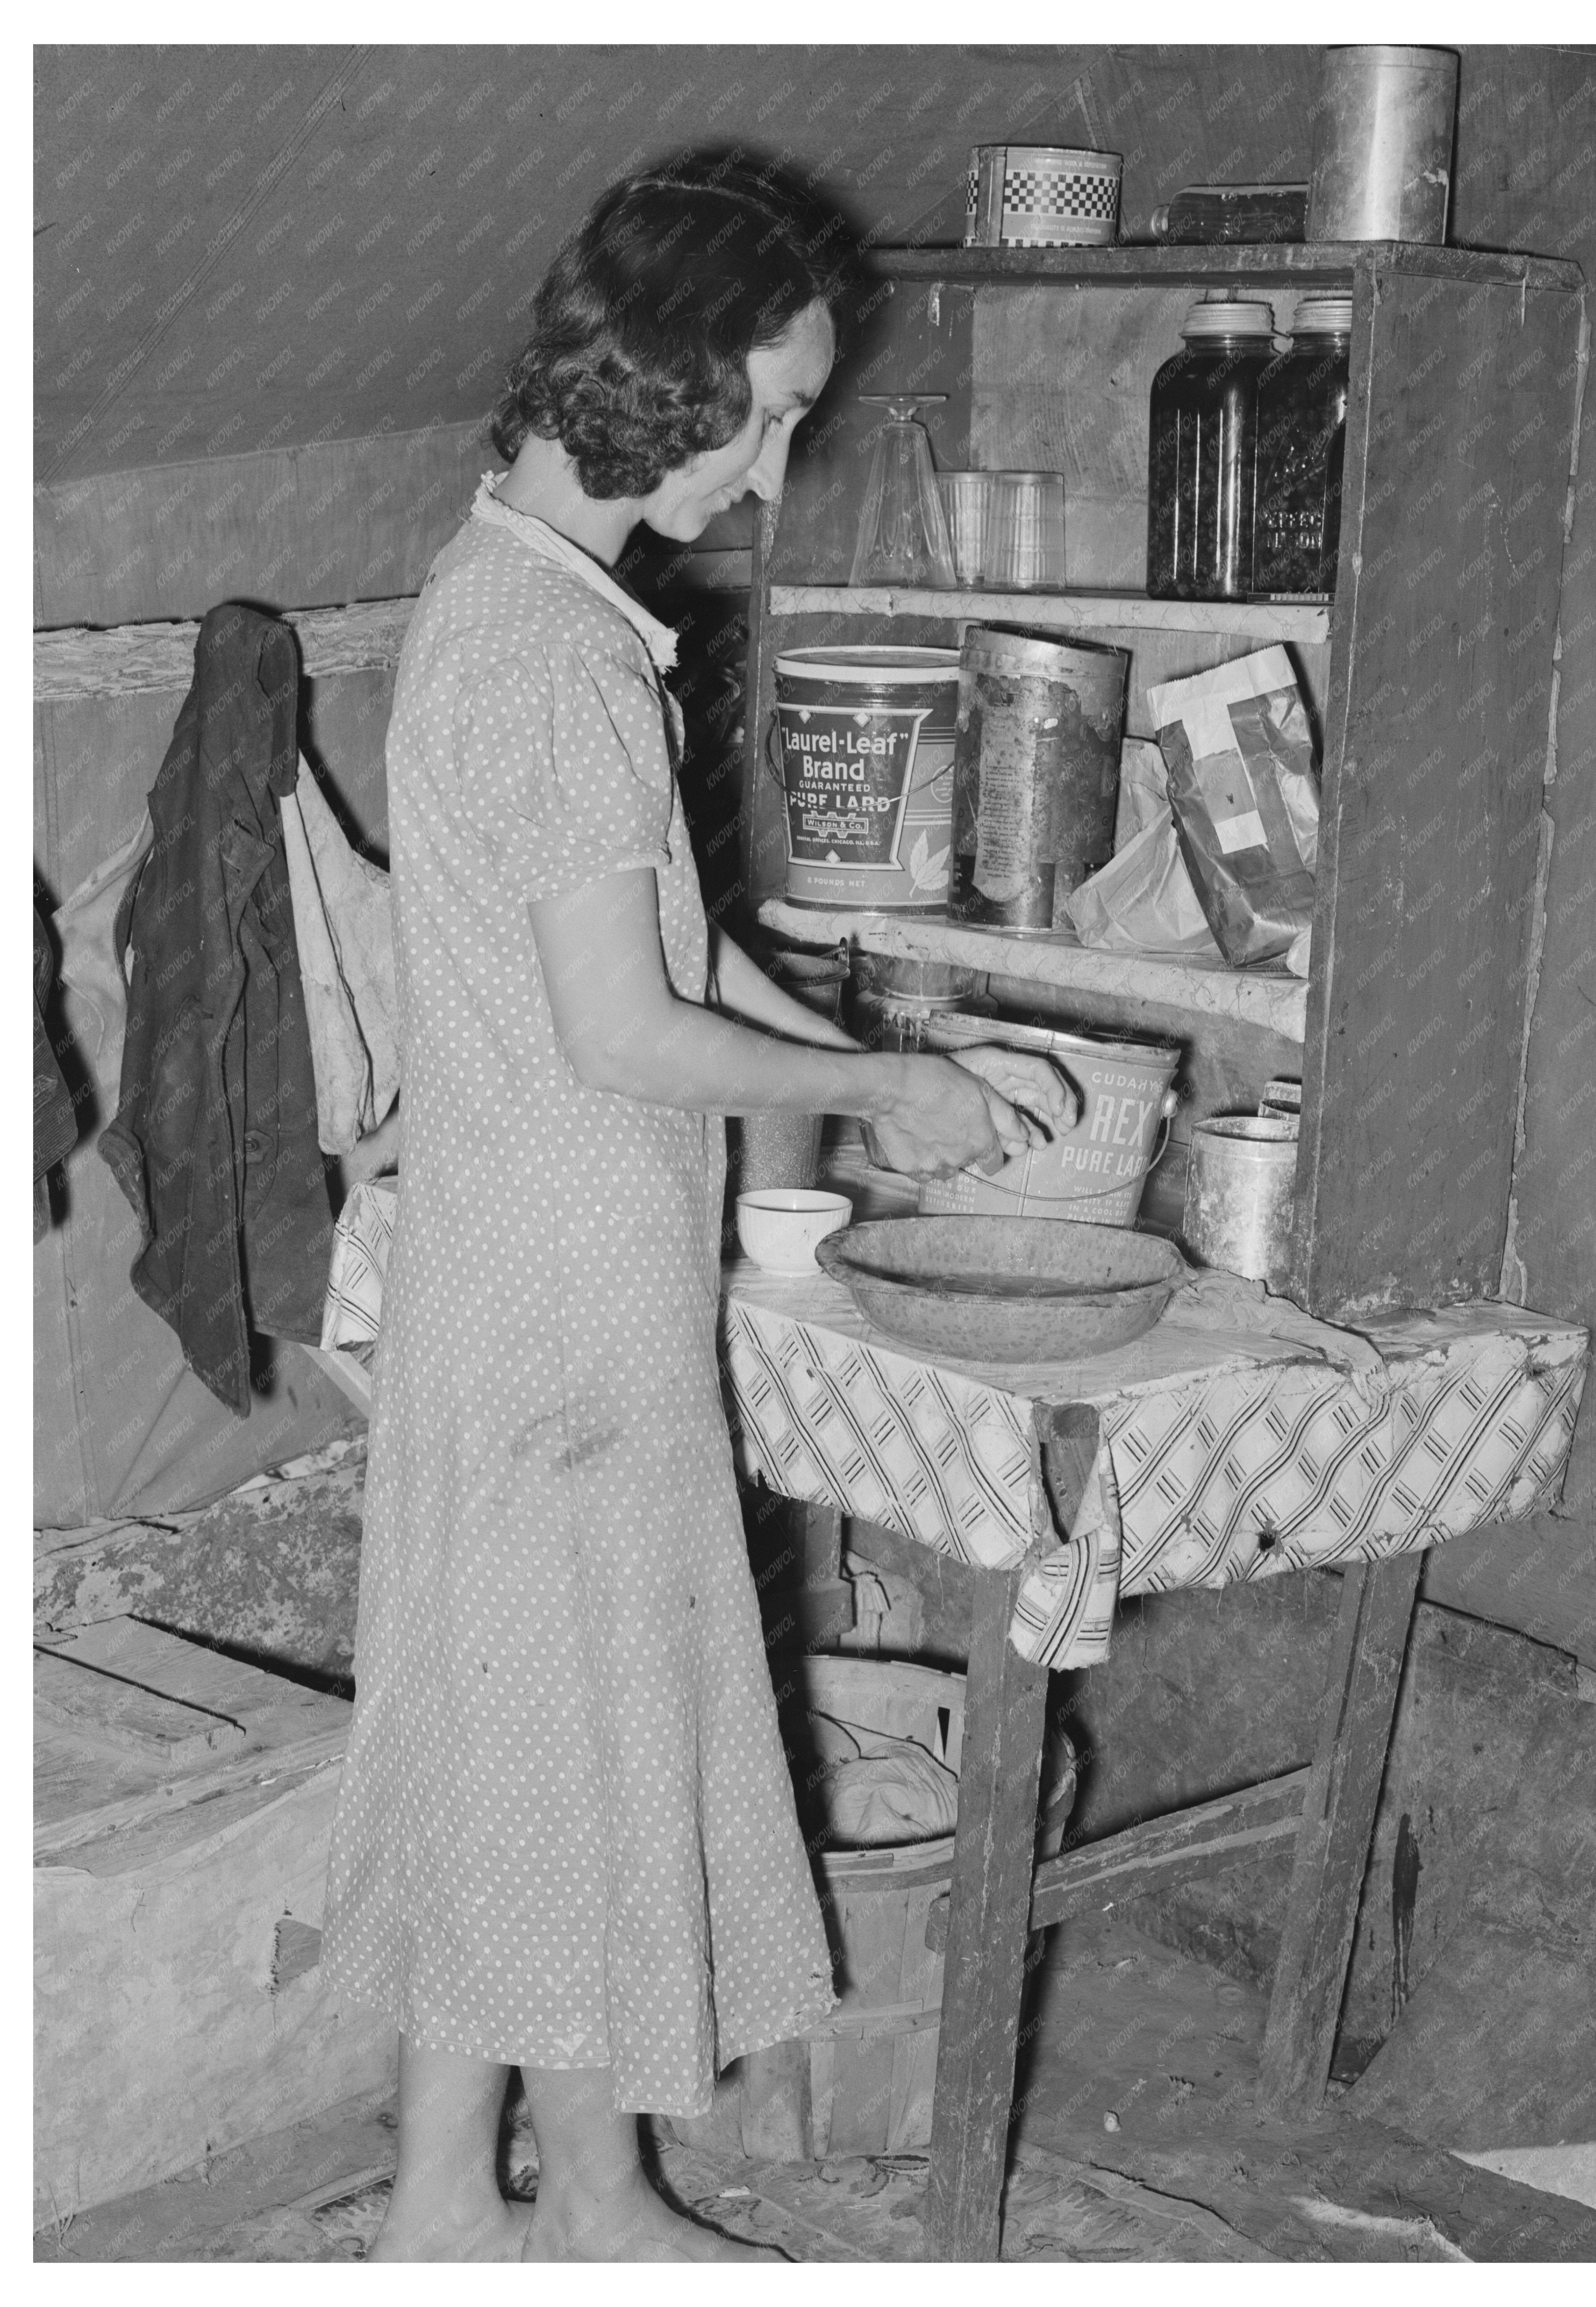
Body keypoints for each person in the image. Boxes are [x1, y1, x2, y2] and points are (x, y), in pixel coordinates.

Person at [320, 159, 1074, 2264]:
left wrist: (876, 1054)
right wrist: (884, 1088)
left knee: (520, 1741)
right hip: (563, 1297)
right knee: (570, 1747)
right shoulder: (558, 662)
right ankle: (557, 2208)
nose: (769, 473)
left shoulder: (507, 594)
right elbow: (628, 1032)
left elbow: (667, 947)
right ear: (664, 382)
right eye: (767, 416)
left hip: (524, 1268)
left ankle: (475, 2204)